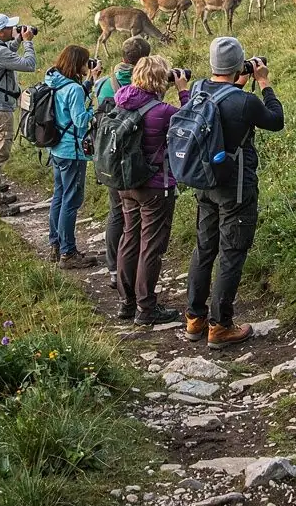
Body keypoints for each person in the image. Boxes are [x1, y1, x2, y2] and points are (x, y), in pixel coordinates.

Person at [185, 36, 284, 349]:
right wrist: (264, 82)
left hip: (203, 181)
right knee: (231, 253)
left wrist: (237, 83)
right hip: (235, 187)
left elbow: (221, 110)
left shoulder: (199, 88)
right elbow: (276, 121)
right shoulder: (245, 101)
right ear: (239, 64)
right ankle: (221, 326)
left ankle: (195, 317)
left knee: (204, 249)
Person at [113, 55, 190, 325]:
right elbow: (191, 125)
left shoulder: (120, 100)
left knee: (129, 239)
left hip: (126, 183)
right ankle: (146, 308)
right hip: (156, 186)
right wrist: (183, 90)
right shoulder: (163, 112)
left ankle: (126, 303)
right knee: (151, 247)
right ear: (160, 79)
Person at [94, 36, 152, 289]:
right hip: (135, 159)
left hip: (108, 156)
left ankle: (113, 268)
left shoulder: (104, 84)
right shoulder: (145, 85)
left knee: (116, 212)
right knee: (140, 216)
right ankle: (136, 271)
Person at [44, 45, 99, 269]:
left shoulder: (54, 81)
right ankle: (69, 253)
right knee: (71, 199)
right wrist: (95, 111)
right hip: (72, 151)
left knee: (59, 195)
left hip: (56, 147)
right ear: (78, 64)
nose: (88, 66)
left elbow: (67, 102)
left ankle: (55, 244)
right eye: (86, 63)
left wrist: (89, 83)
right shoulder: (74, 90)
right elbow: (79, 120)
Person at [0, 14, 37, 215]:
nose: (12, 30)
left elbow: (5, 53)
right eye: (9, 28)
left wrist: (18, 40)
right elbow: (29, 65)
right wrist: (28, 43)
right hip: (0, 110)